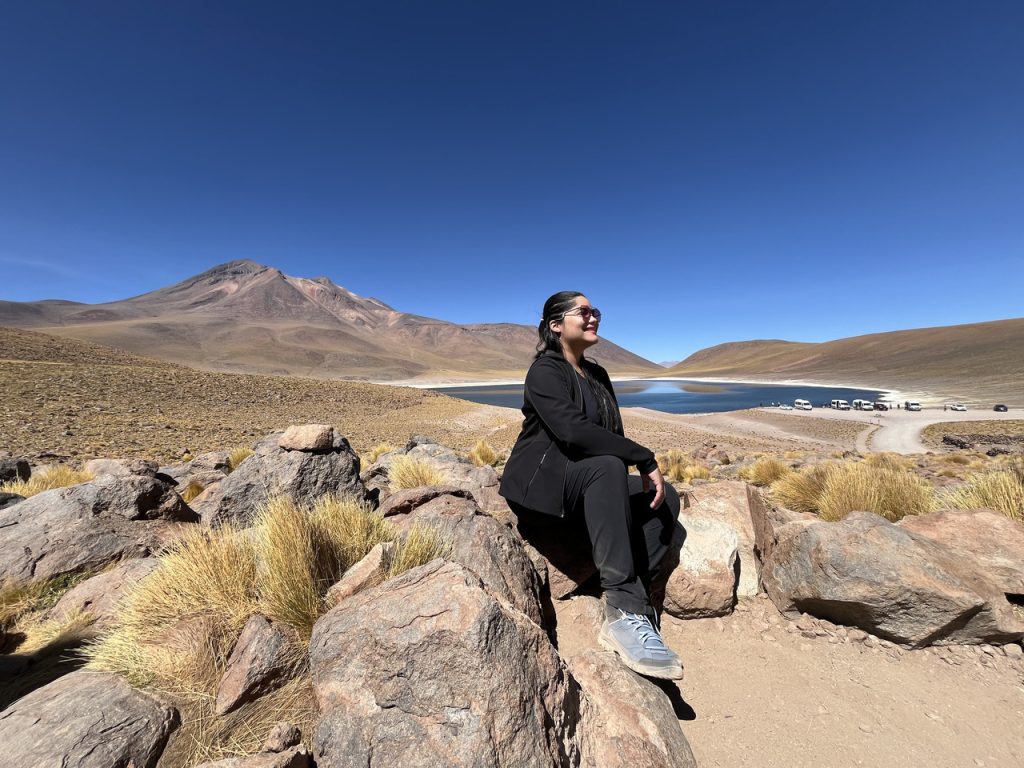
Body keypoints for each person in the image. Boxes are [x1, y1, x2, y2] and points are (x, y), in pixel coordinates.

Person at [499, 291, 684, 680]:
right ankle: (624, 612)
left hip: (589, 481)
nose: (593, 318)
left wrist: (632, 465)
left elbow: (609, 432)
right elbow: (573, 433)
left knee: (664, 500)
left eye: (595, 311)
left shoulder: (598, 375)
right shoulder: (545, 371)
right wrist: (643, 456)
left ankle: (622, 584)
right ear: (555, 325)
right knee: (608, 466)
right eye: (582, 312)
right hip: (544, 486)